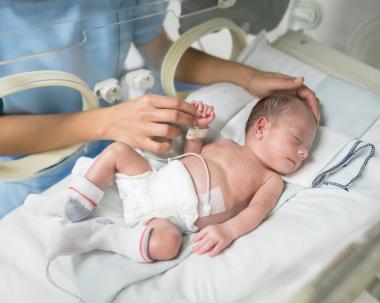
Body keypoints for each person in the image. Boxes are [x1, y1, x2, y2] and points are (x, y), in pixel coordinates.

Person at [0, 1, 320, 218]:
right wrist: (105, 122)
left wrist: (247, 76)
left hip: (129, 147)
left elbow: (158, 47)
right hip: (37, 167)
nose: (303, 152)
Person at [60, 94, 317, 262]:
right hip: (150, 183)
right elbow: (190, 157)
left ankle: (108, 237)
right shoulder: (226, 144)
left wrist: (228, 230)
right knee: (119, 150)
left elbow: (257, 211)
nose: (304, 152)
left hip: (167, 220)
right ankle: (81, 198)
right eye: (297, 140)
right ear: (261, 127)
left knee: (168, 245)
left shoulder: (271, 180)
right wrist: (196, 130)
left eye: (307, 149)